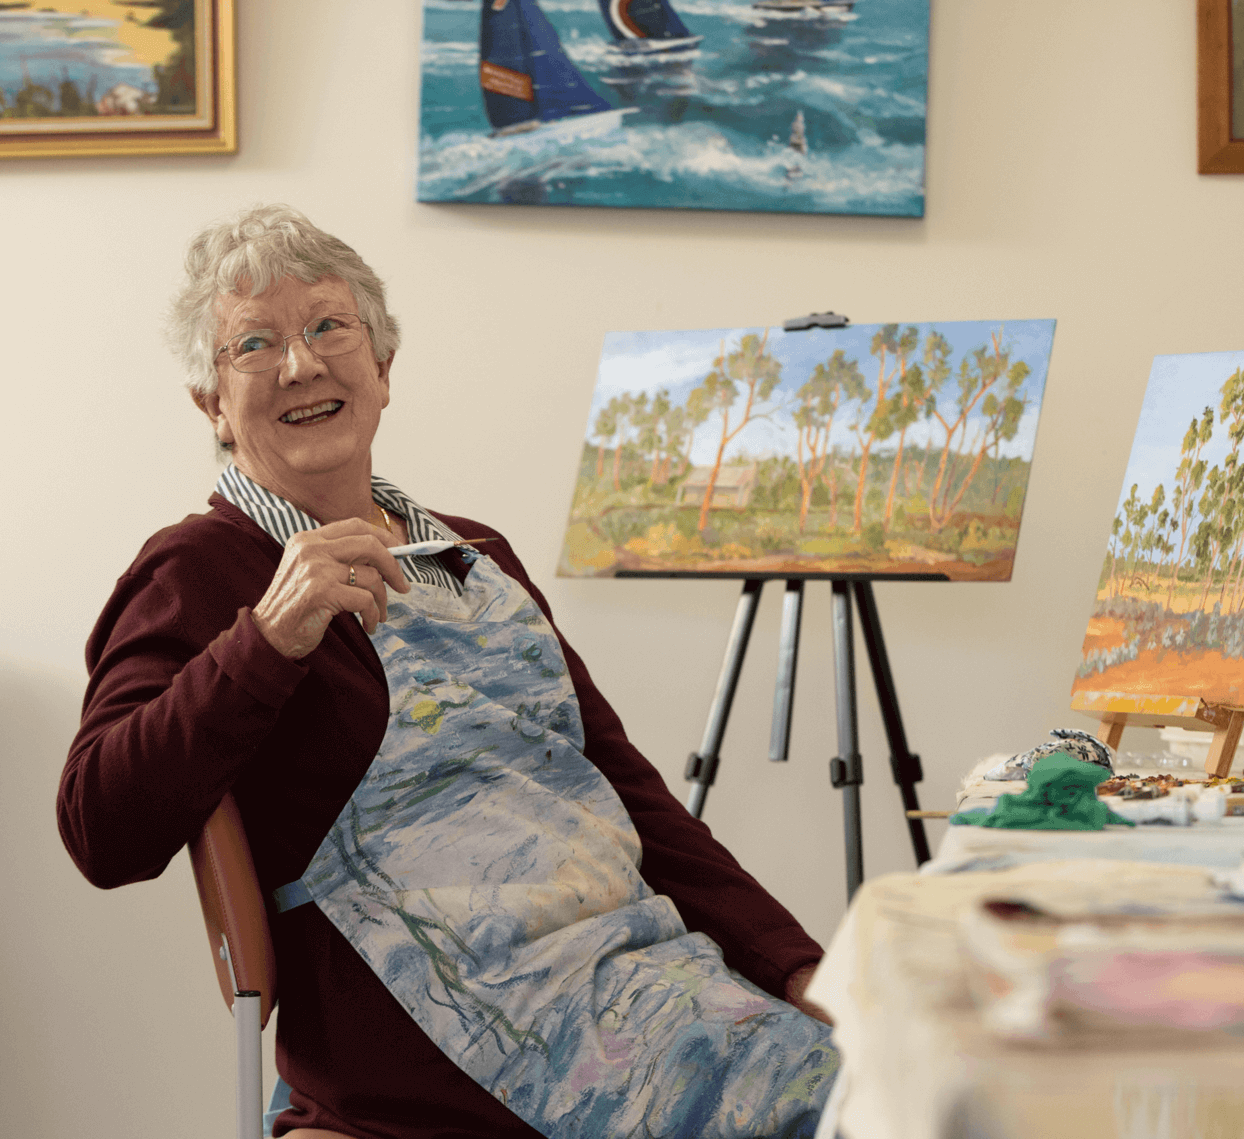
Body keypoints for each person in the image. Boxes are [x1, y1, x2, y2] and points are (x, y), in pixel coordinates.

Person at [57, 205, 838, 1139]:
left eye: (328, 327)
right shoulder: (199, 569)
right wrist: (264, 641)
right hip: (454, 1048)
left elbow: (631, 798)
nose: (300, 363)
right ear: (212, 405)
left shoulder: (475, 554)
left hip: (642, 980)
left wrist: (796, 965)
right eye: (253, 344)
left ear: (382, 368)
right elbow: (101, 827)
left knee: (895, 1077)